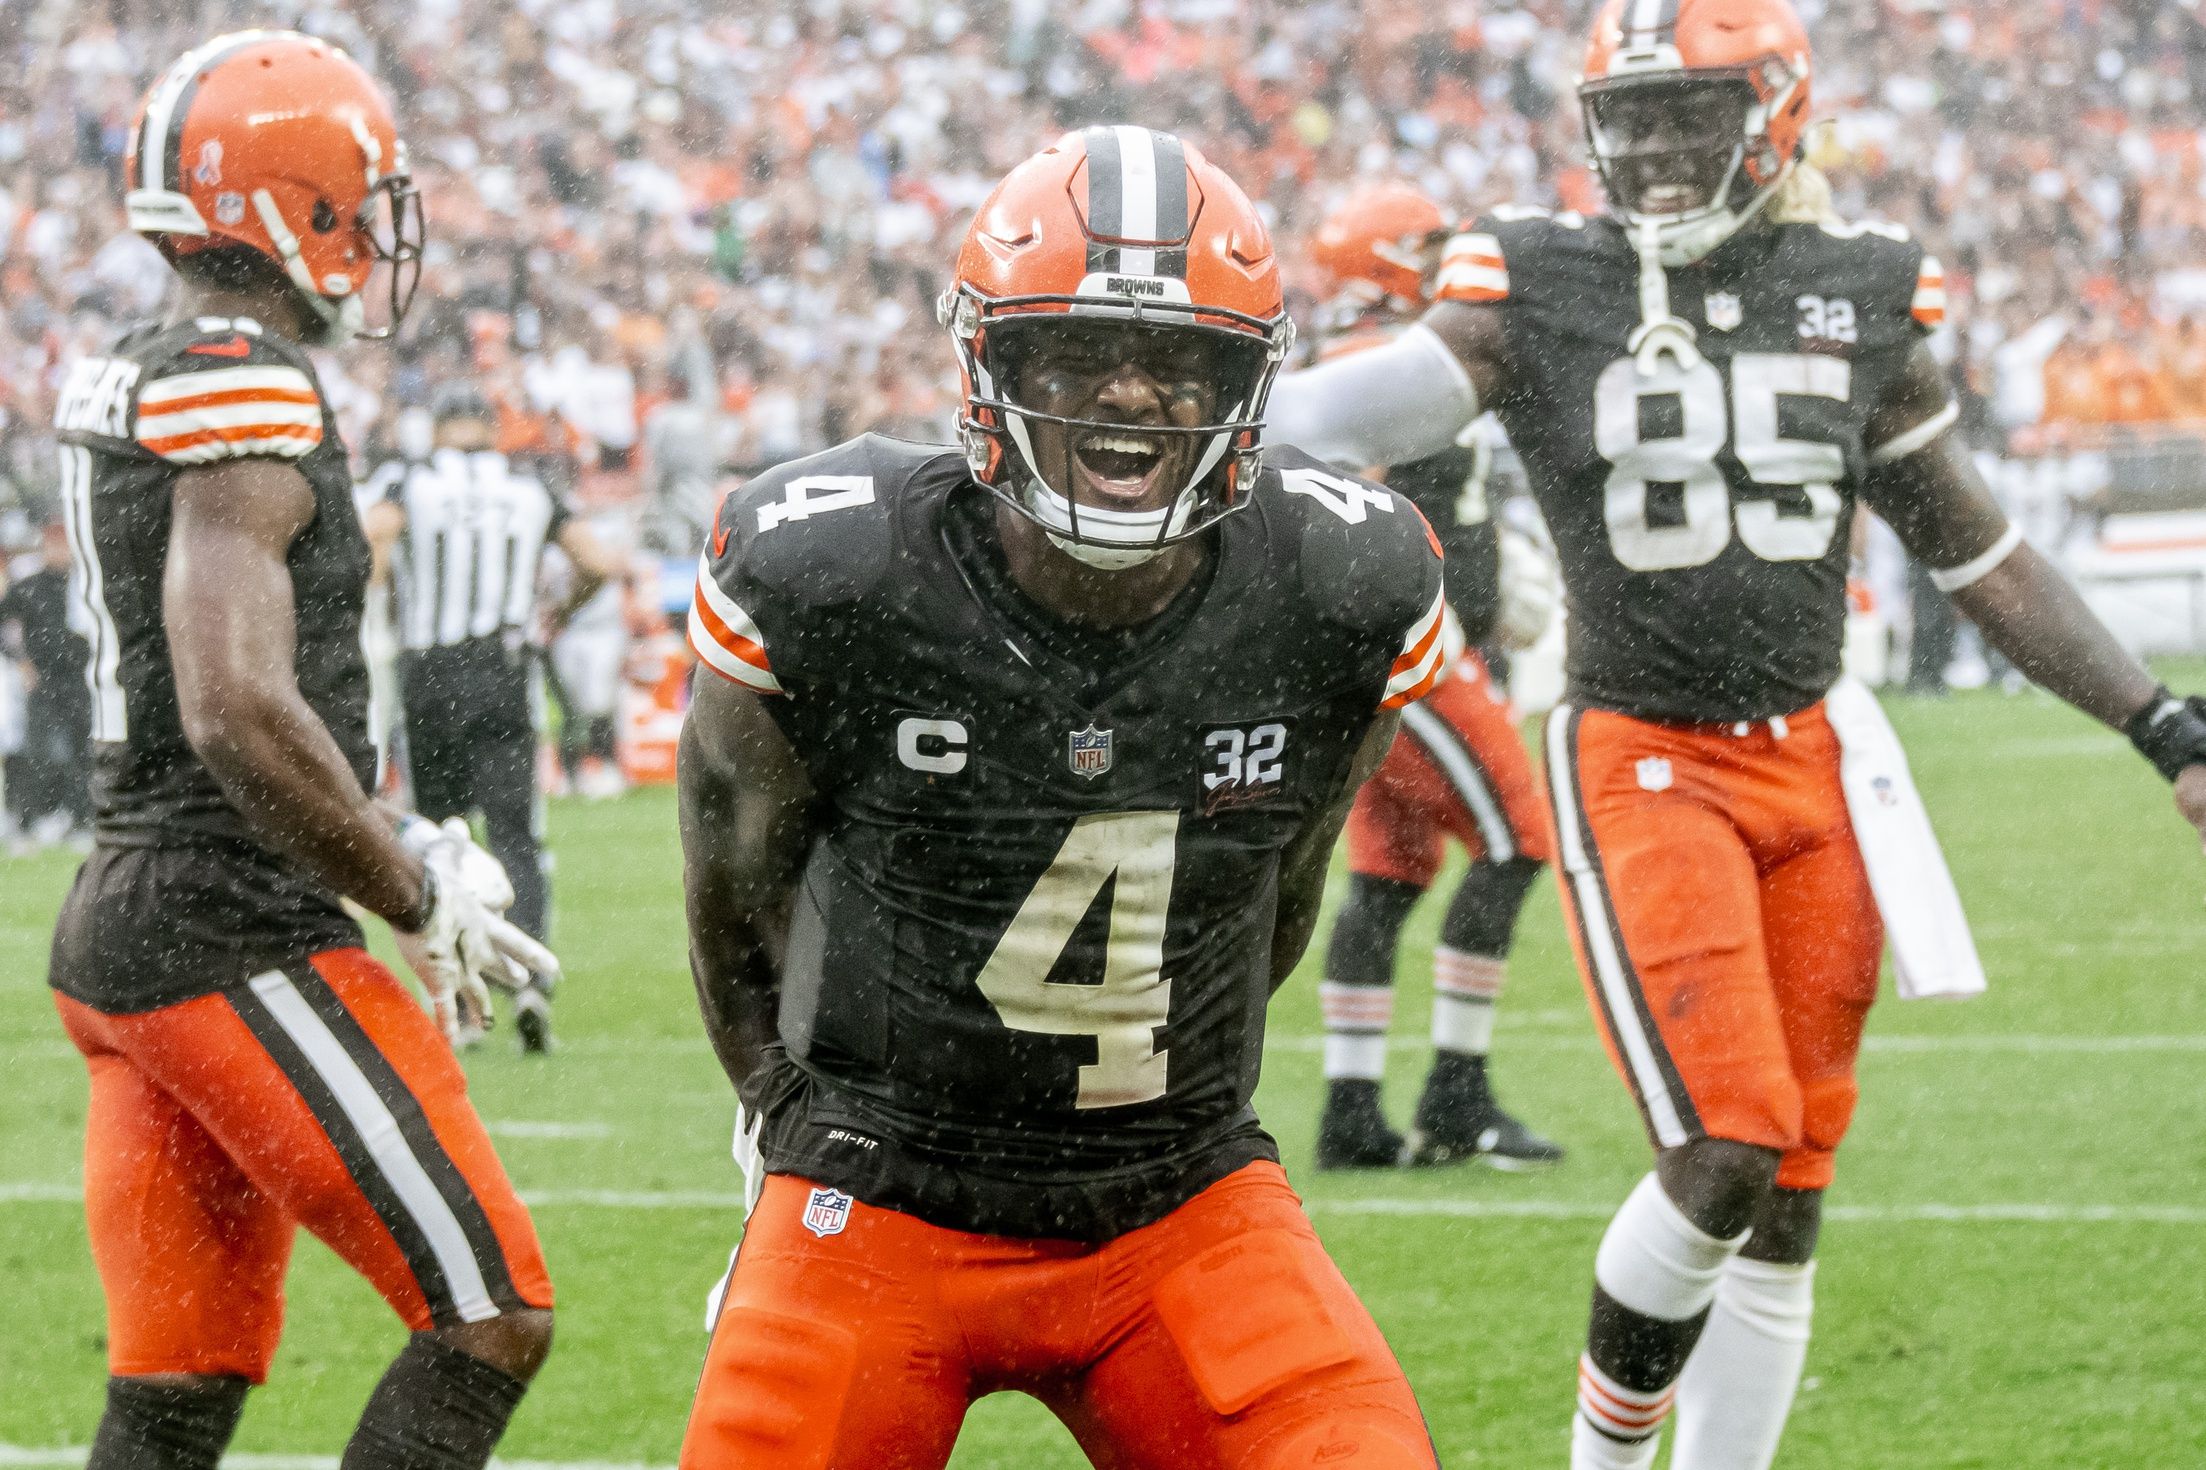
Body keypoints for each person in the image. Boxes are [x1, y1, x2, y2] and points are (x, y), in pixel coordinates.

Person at [1264, 3, 2206, 1467]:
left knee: (1791, 1185)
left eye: (1683, 111)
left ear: (1768, 111)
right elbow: (1382, 397)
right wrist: (1220, 411)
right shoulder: (1543, 277)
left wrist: (2160, 722)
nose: (1646, 146)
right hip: (1642, 753)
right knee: (1723, 1143)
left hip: (1817, 760)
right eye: (1623, 116)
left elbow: (1981, 554)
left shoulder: (1858, 287)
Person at [677, 126, 1447, 1469]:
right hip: (878, 1181)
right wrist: (778, 1113)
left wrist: (1153, 1115)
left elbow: (1286, 880)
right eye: (1078, 354)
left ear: (1245, 385)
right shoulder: (836, 572)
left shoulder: (1339, 582)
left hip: (1178, 1192)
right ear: (992, 363)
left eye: (1179, 362)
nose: (1131, 394)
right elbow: (731, 875)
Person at [45, 33, 560, 1470]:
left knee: (176, 1387)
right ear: (296, 202)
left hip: (130, 916)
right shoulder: (238, 379)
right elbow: (232, 706)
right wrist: (410, 886)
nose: (378, 227)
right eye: (361, 192)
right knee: (490, 1308)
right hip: (225, 919)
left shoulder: (142, 361)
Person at [1297, 181, 1566, 1172]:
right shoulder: (1371, 361)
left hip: (1395, 659)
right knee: (1518, 840)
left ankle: (1352, 1110)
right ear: (1384, 259)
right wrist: (1437, 619)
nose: (1440, 262)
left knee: (1388, 875)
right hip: (1412, 657)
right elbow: (1346, 507)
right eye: (1422, 248)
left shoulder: (1369, 348)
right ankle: (1457, 1094)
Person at [364, 385, 624, 1052]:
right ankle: (530, 979)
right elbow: (597, 561)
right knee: (517, 834)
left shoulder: (410, 476)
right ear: (489, 428)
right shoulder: (528, 483)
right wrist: (555, 615)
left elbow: (378, 539)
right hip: (504, 670)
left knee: (440, 839)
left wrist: (386, 601)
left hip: (428, 673)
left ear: (438, 426)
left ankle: (459, 1001)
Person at [0, 520, 93, 844]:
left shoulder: (83, 584)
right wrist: (21, 662)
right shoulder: (27, 588)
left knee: (83, 750)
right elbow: (6, 628)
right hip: (41, 679)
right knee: (38, 751)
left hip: (79, 679)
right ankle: (30, 818)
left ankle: (80, 818)